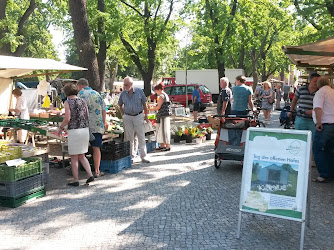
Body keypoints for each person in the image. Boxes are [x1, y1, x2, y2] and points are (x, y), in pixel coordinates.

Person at [57, 83, 94, 186]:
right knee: (82, 155)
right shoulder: (83, 101)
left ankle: (75, 180)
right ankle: (90, 174)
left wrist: (61, 127)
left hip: (74, 130)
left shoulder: (68, 102)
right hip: (84, 129)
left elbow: (68, 118)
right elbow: (87, 114)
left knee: (74, 157)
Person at [77, 78, 106, 178]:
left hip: (83, 125)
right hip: (97, 125)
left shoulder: (80, 95)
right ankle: (97, 171)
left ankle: (85, 171)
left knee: (82, 149)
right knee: (96, 148)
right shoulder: (97, 94)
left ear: (79, 86)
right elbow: (103, 110)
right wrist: (103, 122)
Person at [118, 76, 150, 163]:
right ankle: (131, 156)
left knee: (141, 136)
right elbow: (120, 104)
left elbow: (144, 103)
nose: (125, 86)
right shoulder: (123, 94)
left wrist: (146, 115)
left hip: (138, 115)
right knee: (129, 137)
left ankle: (144, 156)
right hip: (127, 116)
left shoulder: (139, 91)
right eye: (124, 85)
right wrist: (123, 114)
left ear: (131, 84)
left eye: (126, 84)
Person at [312, 77, 334, 183]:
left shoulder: (321, 92)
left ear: (319, 84)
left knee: (318, 149)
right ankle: (331, 172)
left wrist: (319, 122)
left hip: (325, 124)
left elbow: (318, 108)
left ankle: (324, 174)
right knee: (331, 150)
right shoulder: (332, 92)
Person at [149, 83, 171, 151]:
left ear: (159, 89)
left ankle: (167, 146)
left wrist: (150, 109)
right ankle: (163, 145)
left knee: (164, 130)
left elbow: (158, 106)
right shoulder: (165, 95)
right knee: (162, 130)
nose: (156, 92)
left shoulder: (162, 96)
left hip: (163, 115)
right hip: (165, 115)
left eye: (156, 90)